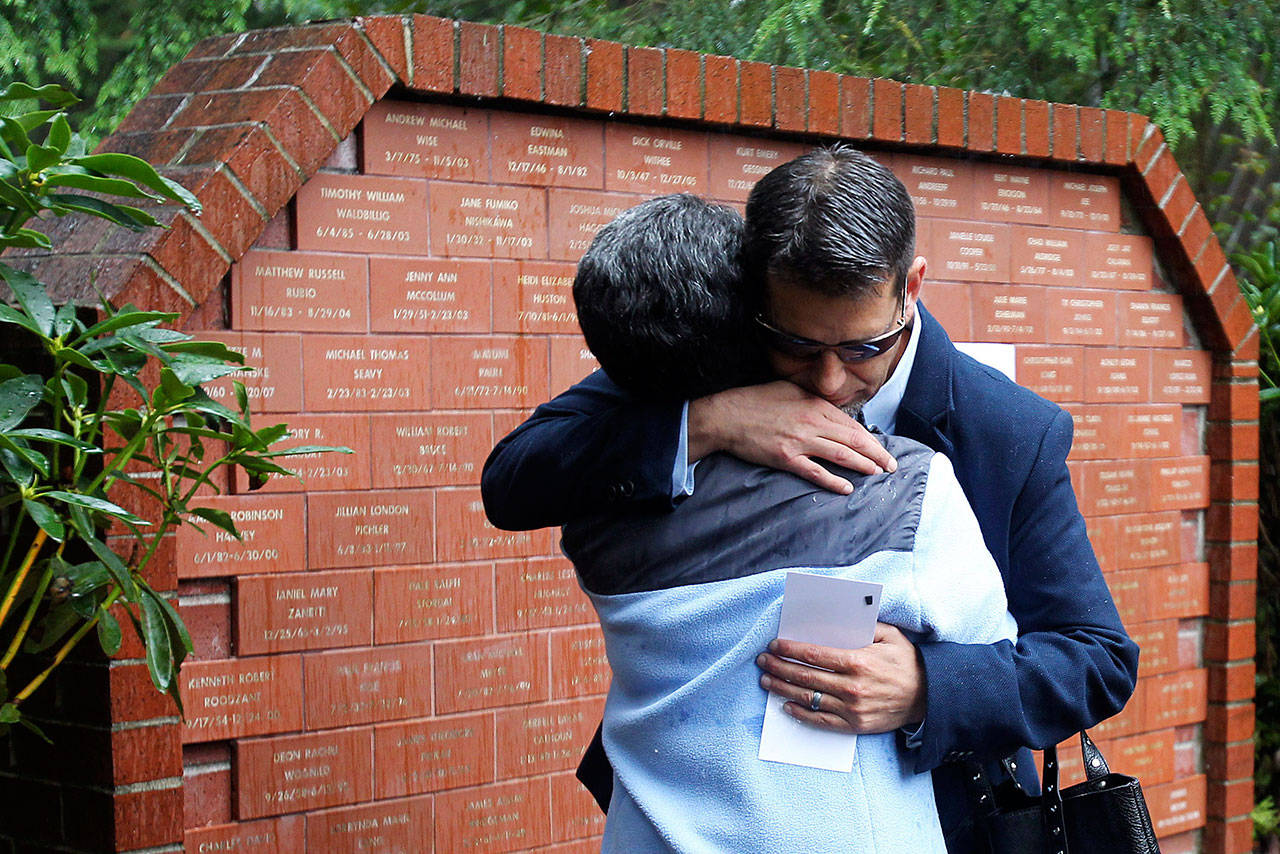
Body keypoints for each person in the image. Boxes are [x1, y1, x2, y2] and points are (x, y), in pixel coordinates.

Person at [482, 147, 1140, 851]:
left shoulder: (1008, 429)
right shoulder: (713, 367)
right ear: (753, 300)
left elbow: (1096, 659)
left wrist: (925, 688)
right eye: (794, 345)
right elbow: (514, 479)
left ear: (910, 286)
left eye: (862, 348)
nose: (828, 381)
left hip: (939, 818)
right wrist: (707, 422)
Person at [562, 192, 1016, 851]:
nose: (831, 380)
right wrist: (920, 680)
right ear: (751, 319)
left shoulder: (595, 496)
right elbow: (990, 639)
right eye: (797, 342)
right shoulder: (899, 489)